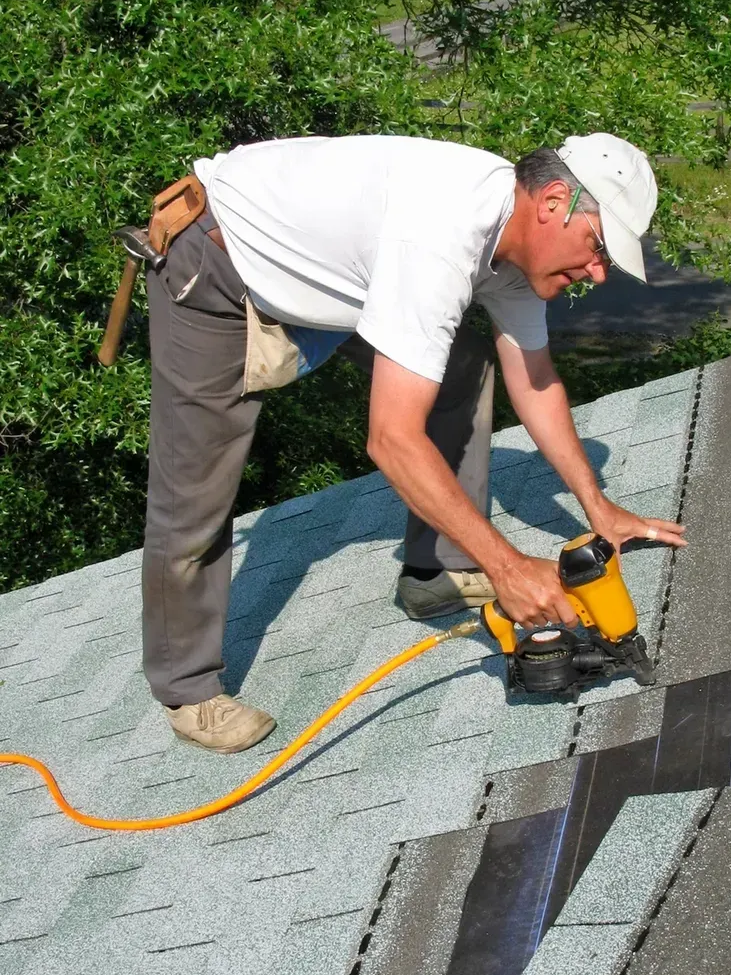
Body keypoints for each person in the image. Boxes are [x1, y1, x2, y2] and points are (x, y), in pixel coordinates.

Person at [143, 131, 687, 753]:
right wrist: (507, 567)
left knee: (464, 368)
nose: (595, 272)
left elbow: (533, 379)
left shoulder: (515, 244)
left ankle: (436, 571)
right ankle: (186, 687)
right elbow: (392, 440)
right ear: (553, 201)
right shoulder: (440, 237)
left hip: (335, 274)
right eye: (596, 247)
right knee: (194, 489)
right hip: (217, 262)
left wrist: (599, 507)